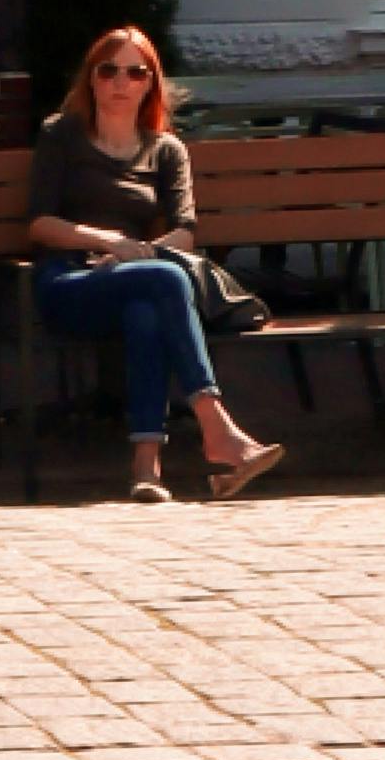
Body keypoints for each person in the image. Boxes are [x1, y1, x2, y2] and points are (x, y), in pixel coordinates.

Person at [26, 27, 280, 499]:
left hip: (136, 276)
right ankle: (218, 430)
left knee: (149, 305)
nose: (120, 82)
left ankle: (147, 468)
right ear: (92, 79)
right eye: (109, 70)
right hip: (70, 281)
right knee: (163, 280)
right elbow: (39, 223)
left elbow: (185, 230)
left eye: (134, 72)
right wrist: (106, 241)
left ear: (150, 83)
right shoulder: (61, 134)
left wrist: (140, 253)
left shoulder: (165, 150)